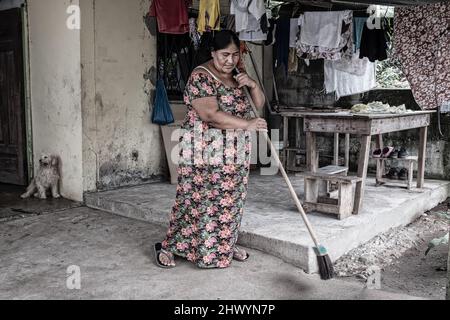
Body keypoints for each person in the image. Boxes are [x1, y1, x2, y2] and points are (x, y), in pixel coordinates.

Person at [154, 30, 267, 268]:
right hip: (205, 151)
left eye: (235, 55)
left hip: (235, 152)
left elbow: (257, 104)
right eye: (224, 55)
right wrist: (247, 124)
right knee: (196, 201)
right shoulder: (201, 76)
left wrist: (253, 85)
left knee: (229, 202)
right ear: (212, 52)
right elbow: (211, 115)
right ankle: (170, 246)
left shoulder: (238, 74)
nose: (230, 60)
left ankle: (223, 245)